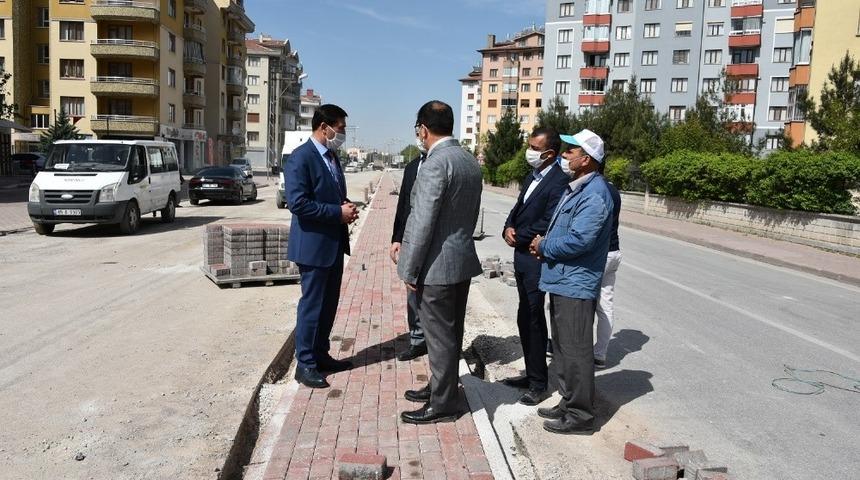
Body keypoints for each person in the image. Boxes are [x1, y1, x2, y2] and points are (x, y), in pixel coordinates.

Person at [397, 100, 483, 424]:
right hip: (460, 263)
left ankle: (444, 403)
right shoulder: (469, 162)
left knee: (439, 337)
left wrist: (409, 268)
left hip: (436, 268)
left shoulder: (435, 163)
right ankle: (439, 386)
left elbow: (422, 221)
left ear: (423, 128)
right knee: (451, 334)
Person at [529, 129, 614, 435]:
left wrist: (544, 246)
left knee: (577, 352)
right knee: (563, 349)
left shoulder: (595, 194)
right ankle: (568, 401)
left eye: (570, 151)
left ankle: (581, 415)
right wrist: (545, 242)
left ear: (586, 159)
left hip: (576, 283)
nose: (564, 155)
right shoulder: (577, 187)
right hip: (562, 280)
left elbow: (581, 240)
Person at [285, 104, 359, 389]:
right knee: (312, 306)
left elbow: (331, 195)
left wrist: (347, 206)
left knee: (329, 306)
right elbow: (298, 203)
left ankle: (320, 354)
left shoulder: (332, 158)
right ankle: (304, 364)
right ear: (324, 126)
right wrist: (336, 213)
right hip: (313, 248)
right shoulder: (300, 159)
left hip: (333, 245)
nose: (342, 134)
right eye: (340, 128)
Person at [501, 128, 569, 406]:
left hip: (535, 258)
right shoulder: (532, 176)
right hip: (521, 257)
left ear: (549, 153)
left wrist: (522, 235)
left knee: (534, 318)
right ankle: (530, 373)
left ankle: (539, 383)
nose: (528, 151)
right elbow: (518, 208)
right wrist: (507, 227)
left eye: (533, 147)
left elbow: (549, 222)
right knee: (524, 317)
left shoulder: (558, 181)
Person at [390, 151, 429, 361]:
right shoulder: (412, 166)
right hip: (410, 239)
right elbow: (403, 205)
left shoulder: (441, 163)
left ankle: (434, 341)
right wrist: (396, 238)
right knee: (412, 290)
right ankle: (417, 340)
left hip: (434, 242)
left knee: (432, 294)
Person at [594, 164, 622, 369]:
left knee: (582, 306)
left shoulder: (596, 190)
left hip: (599, 255)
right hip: (614, 252)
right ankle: (600, 354)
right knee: (605, 305)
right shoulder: (613, 189)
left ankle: (577, 352)